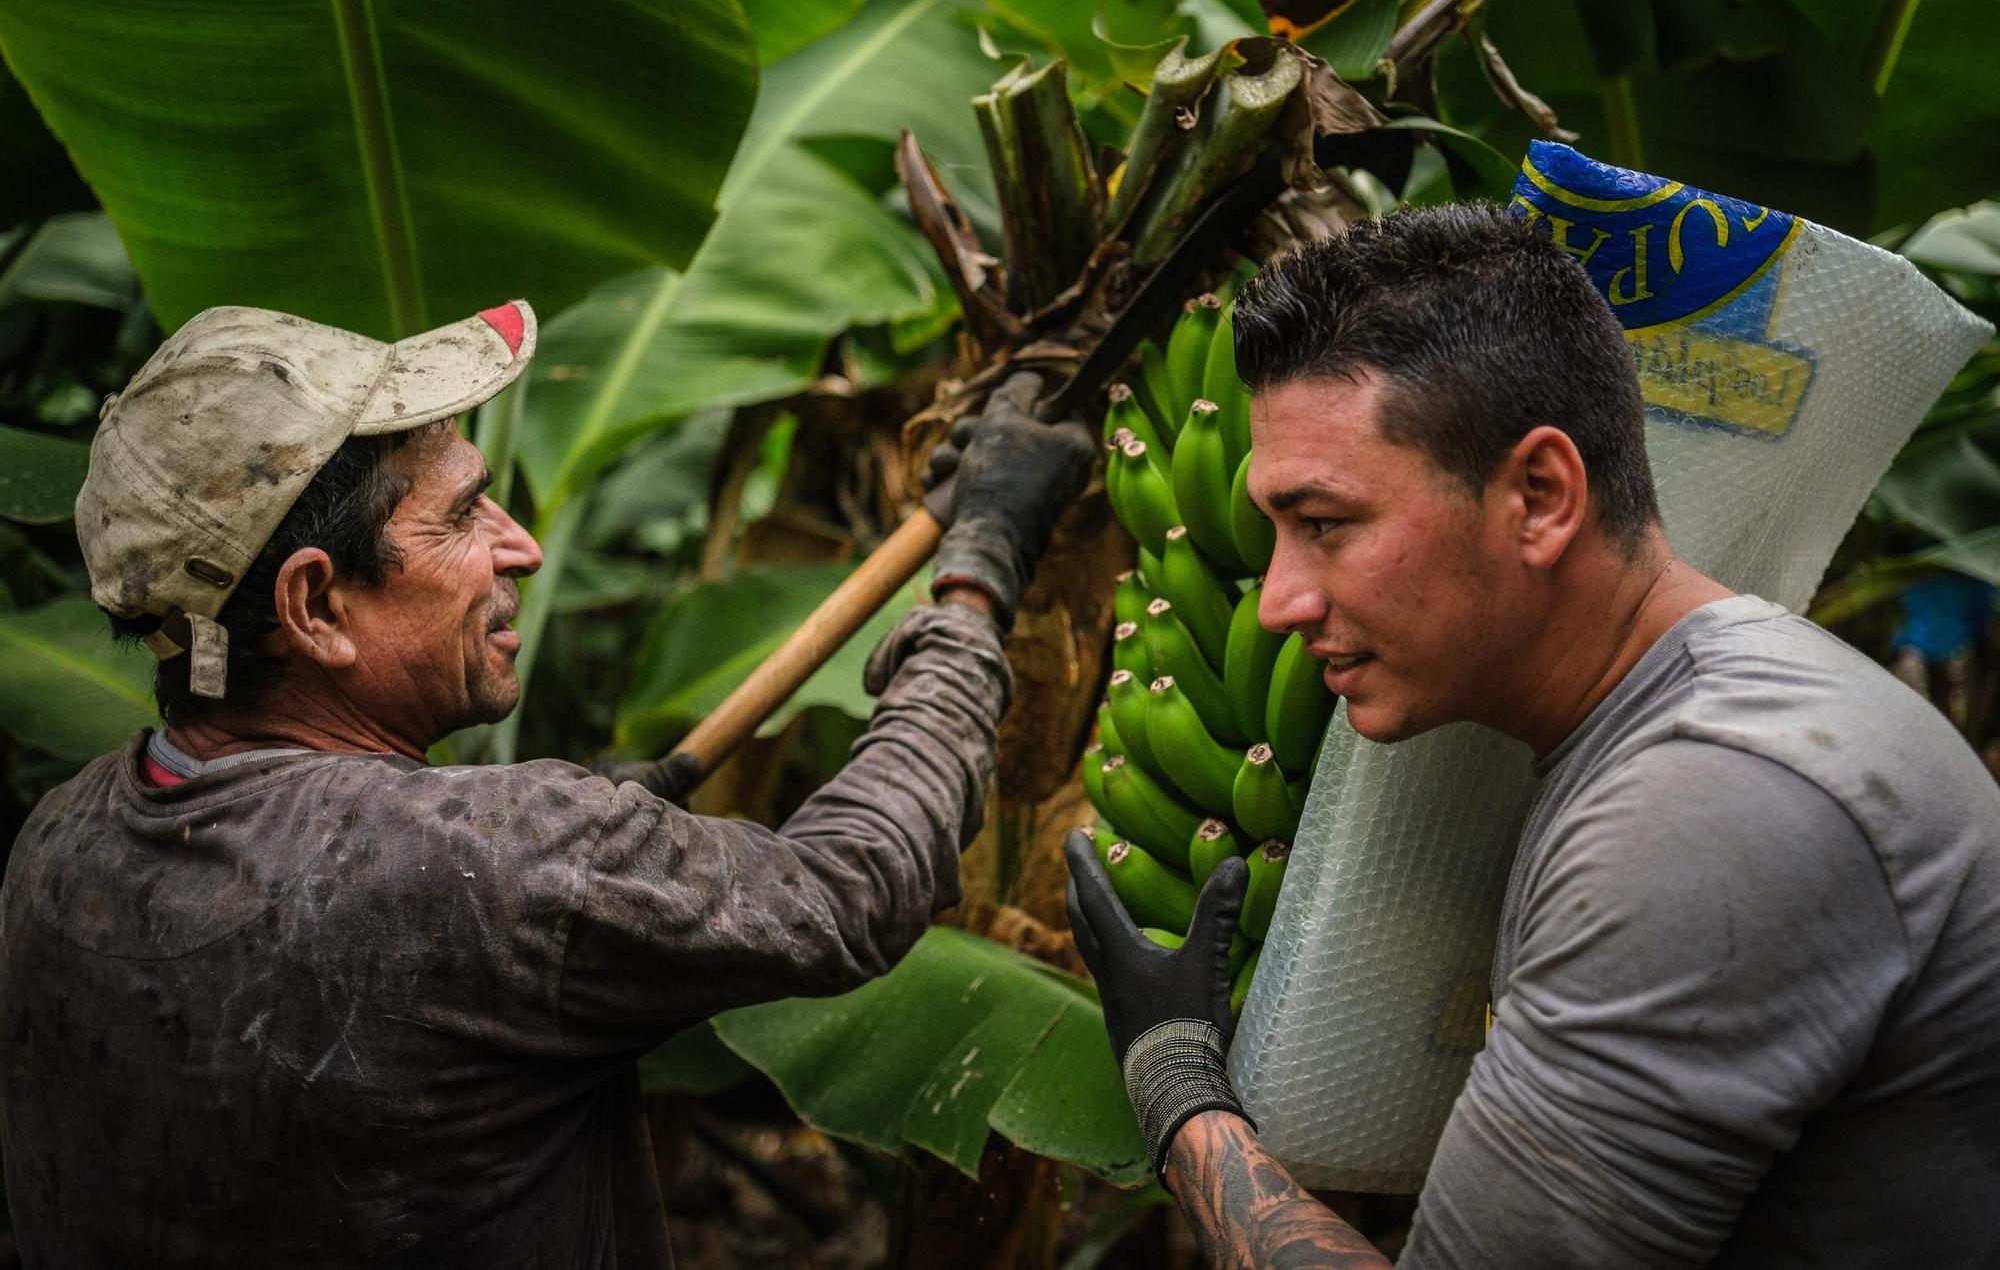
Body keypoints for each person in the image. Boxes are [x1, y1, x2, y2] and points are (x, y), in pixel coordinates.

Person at [0, 300, 1095, 1267]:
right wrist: (976, 576)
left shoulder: (56, 849)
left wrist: (622, 808)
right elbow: (852, 888)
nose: (518, 546)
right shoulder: (498, 864)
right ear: (315, 606)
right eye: (463, 513)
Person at [1065, 205, 2000, 1268]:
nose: (1275, 600)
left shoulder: (1704, 814)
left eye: (1324, 526)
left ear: (1541, 495)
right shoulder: (1712, 706)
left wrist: (1177, 1086)